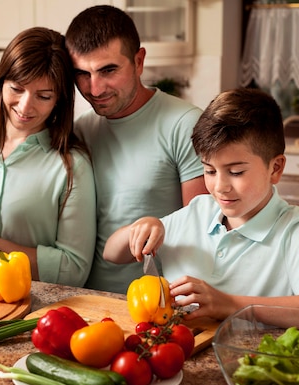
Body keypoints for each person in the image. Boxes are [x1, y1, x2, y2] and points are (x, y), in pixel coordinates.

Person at [103, 88, 299, 321]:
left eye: (236, 172)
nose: (219, 186)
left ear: (275, 168)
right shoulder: (198, 211)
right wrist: (143, 227)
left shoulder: (295, 229)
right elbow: (112, 253)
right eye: (209, 170)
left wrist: (230, 304)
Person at [65, 5, 208, 294]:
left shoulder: (186, 124)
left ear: (139, 61)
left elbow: (202, 229)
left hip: (160, 305)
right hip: (89, 300)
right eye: (82, 74)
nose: (94, 89)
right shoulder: (81, 130)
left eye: (108, 70)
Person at [0, 27, 95, 287]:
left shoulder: (70, 166)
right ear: (0, 83)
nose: (25, 107)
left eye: (43, 96)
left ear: (59, 100)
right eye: (16, 88)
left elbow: (73, 270)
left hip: (36, 310)